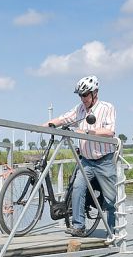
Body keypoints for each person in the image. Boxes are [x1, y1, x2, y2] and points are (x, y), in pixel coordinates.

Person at [48, 75, 117, 237]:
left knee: (110, 198)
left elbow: (109, 131)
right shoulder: (79, 109)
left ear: (95, 93)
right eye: (80, 95)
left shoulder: (107, 108)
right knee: (78, 188)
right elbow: (64, 118)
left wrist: (87, 131)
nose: (83, 98)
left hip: (104, 160)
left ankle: (113, 231)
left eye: (85, 94)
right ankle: (79, 226)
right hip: (86, 161)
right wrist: (44, 126)